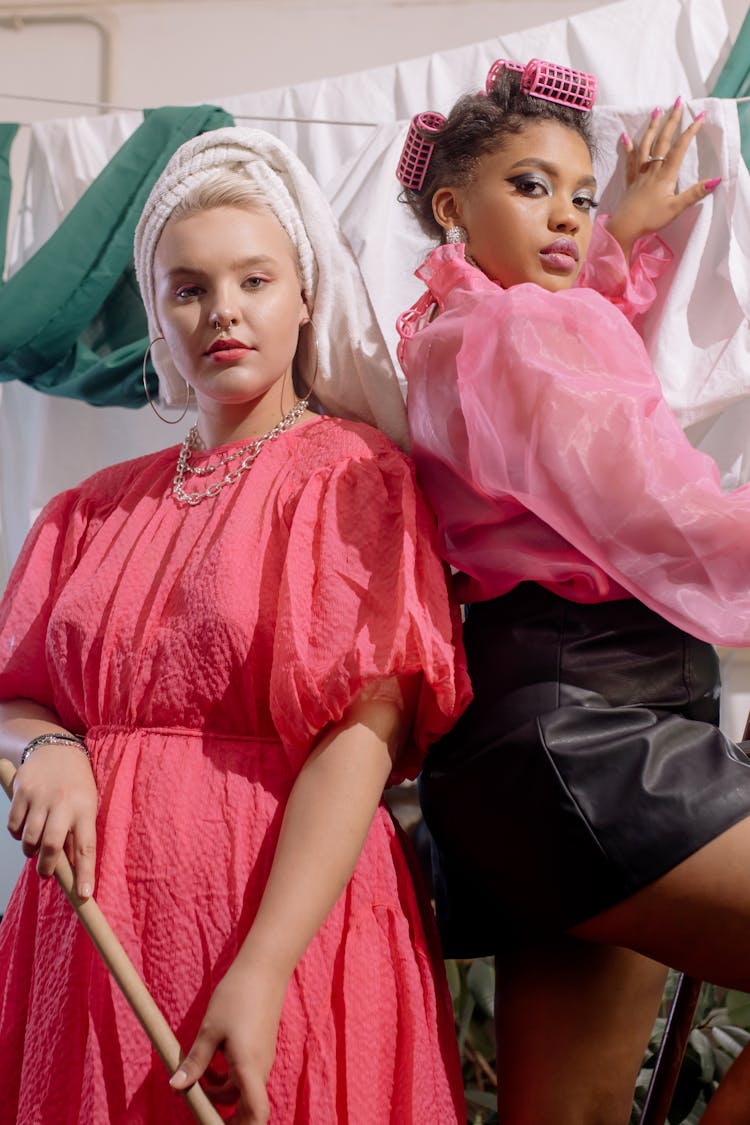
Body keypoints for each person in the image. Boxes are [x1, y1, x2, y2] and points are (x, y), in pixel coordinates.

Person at [0, 127, 472, 1125]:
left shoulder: (353, 481)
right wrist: (48, 744)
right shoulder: (90, 509)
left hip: (272, 926)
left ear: (305, 295)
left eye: (254, 280)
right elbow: (18, 688)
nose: (223, 312)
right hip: (89, 936)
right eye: (188, 288)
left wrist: (260, 973)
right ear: (157, 317)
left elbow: (362, 738)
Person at [396, 58, 750, 1125]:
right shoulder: (515, 334)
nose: (566, 215)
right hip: (592, 741)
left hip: (541, 756)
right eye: (530, 186)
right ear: (452, 207)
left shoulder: (464, 334)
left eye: (578, 192)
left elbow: (562, 354)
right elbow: (655, 509)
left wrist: (616, 232)